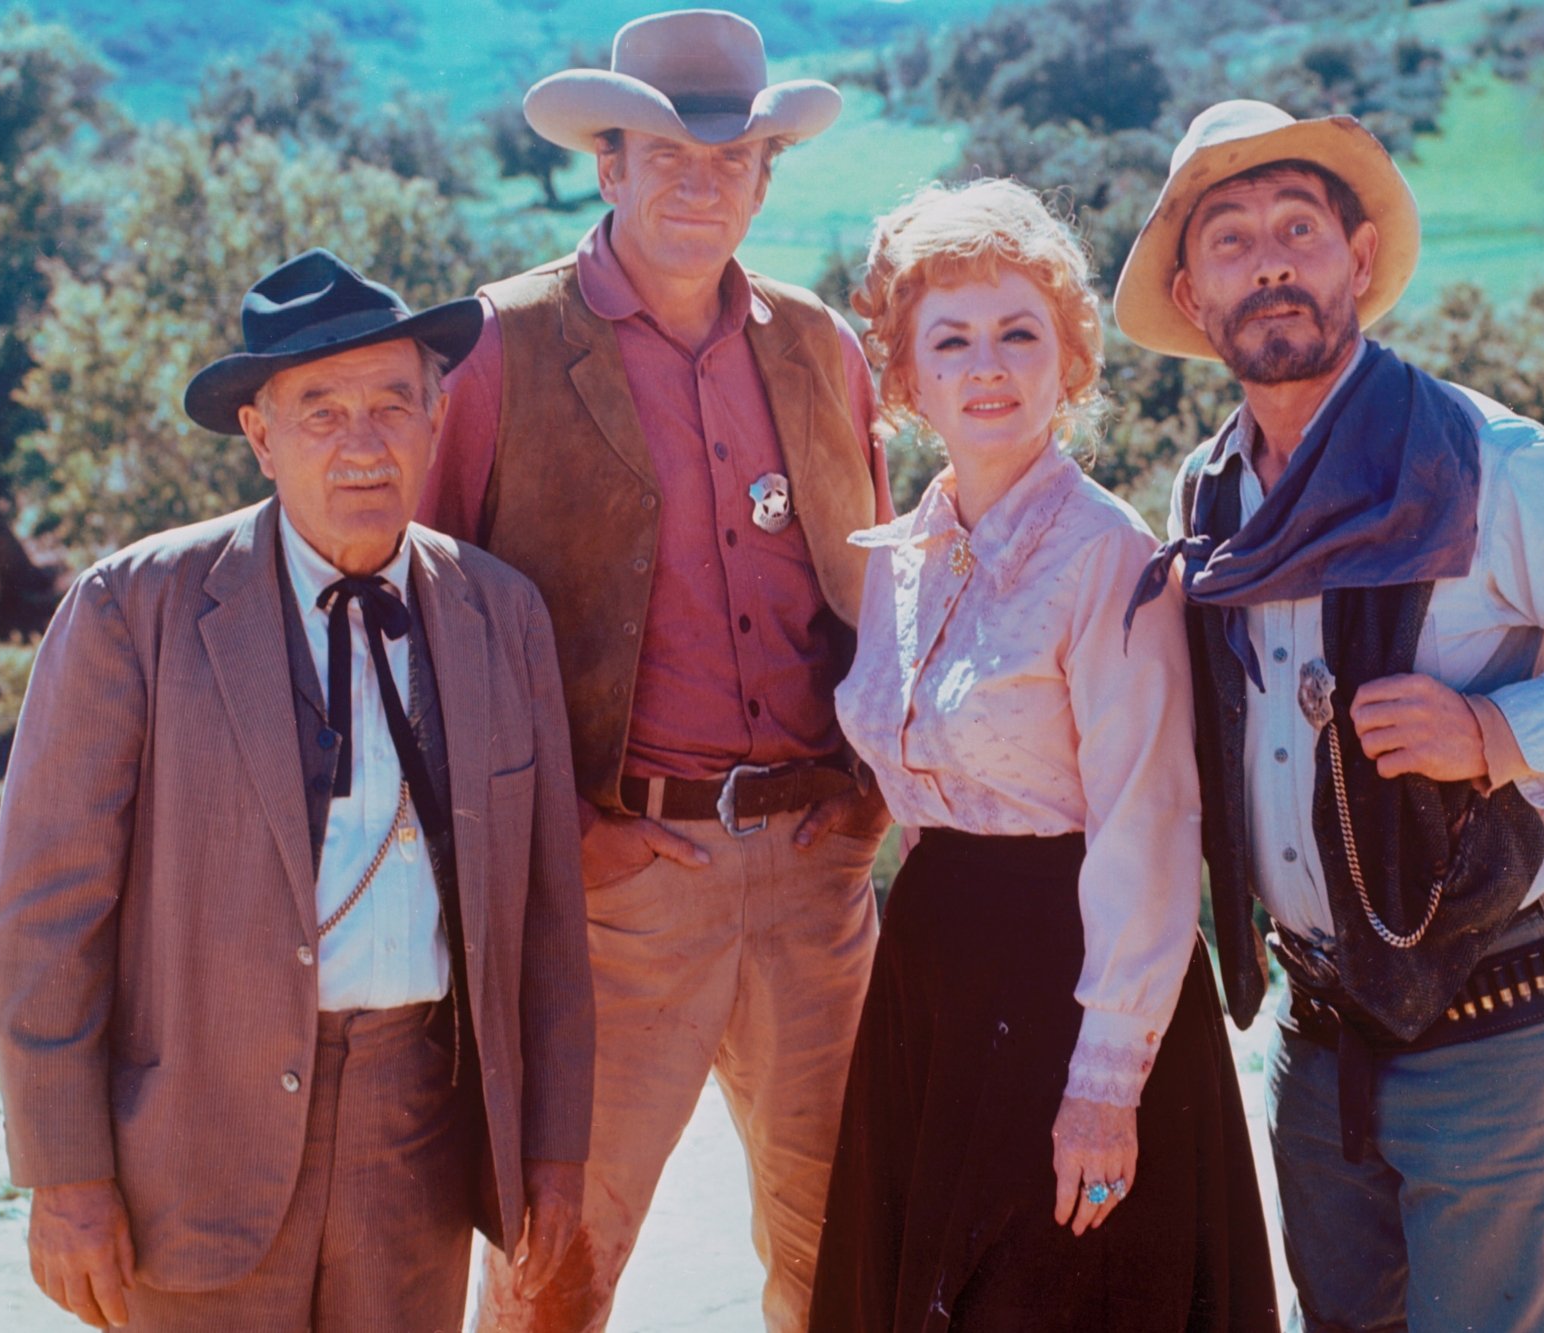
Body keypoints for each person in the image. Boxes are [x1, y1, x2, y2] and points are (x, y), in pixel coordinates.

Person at [1113, 101, 1544, 1331]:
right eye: (1230, 240)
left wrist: (1495, 737)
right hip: (1321, 1031)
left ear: (1355, 263)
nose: (1271, 260)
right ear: (1192, 298)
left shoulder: (1482, 460)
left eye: (1298, 225)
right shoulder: (1207, 491)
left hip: (1500, 1016)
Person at [0, 249, 595, 1331]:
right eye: (319, 410)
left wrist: (550, 1149)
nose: (361, 442)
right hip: (189, 1147)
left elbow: (547, 918)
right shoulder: (135, 608)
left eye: (390, 404)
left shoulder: (503, 615)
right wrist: (66, 1176)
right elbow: (47, 913)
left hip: (415, 1140)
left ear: (436, 415)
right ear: (258, 436)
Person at [416, 11, 894, 1330]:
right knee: (549, 1267)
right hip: (612, 888)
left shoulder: (822, 349)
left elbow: (886, 590)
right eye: (664, 151)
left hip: (817, 872)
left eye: (730, 155)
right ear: (607, 168)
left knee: (846, 1251)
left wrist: (873, 796)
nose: (700, 177)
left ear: (764, 177)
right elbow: (418, 617)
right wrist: (560, 833)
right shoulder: (499, 349)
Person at [807, 178, 1279, 1332]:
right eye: (951, 340)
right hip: (929, 985)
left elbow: (1149, 828)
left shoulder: (1107, 557)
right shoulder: (899, 557)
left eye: (1021, 333)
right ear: (905, 377)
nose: (988, 367)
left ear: (1068, 361)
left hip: (1077, 990)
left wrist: (1104, 1086)